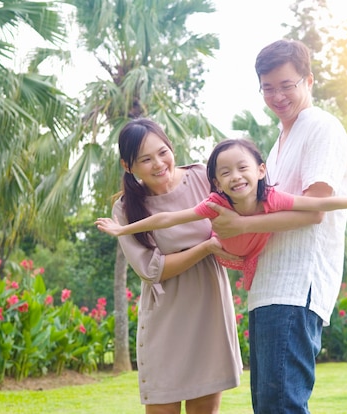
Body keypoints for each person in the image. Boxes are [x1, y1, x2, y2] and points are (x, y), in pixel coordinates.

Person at [207, 39, 347, 413]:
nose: (277, 96)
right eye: (268, 87)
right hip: (269, 287)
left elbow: (315, 209)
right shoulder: (277, 144)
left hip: (296, 286)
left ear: (308, 80)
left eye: (286, 85)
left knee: (281, 406)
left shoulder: (321, 127)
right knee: (269, 405)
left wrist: (240, 224)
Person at [96, 138, 347, 291]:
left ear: (262, 170)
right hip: (225, 253)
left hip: (255, 253)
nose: (235, 177)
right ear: (215, 182)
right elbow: (167, 219)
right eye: (225, 173)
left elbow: (322, 204)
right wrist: (122, 230)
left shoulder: (273, 198)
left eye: (243, 168)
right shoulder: (215, 204)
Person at [104, 118, 243, 414]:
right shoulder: (125, 208)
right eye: (145, 159)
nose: (158, 164)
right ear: (128, 166)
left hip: (210, 309)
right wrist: (205, 247)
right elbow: (151, 270)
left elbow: (241, 215)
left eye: (162, 151)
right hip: (166, 316)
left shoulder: (204, 179)